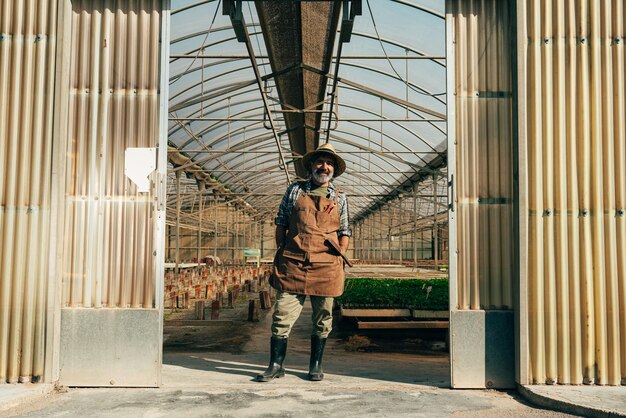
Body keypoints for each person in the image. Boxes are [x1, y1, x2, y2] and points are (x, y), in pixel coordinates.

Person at [256, 143, 352, 382]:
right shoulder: (295, 190)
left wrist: (340, 255)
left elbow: (345, 230)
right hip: (295, 262)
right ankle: (276, 365)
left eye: (329, 163)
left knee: (323, 317)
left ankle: (316, 365)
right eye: (320, 162)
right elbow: (281, 221)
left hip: (326, 265)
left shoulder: (339, 197)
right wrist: (282, 250)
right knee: (282, 315)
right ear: (311, 165)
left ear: (334, 169)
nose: (324, 166)